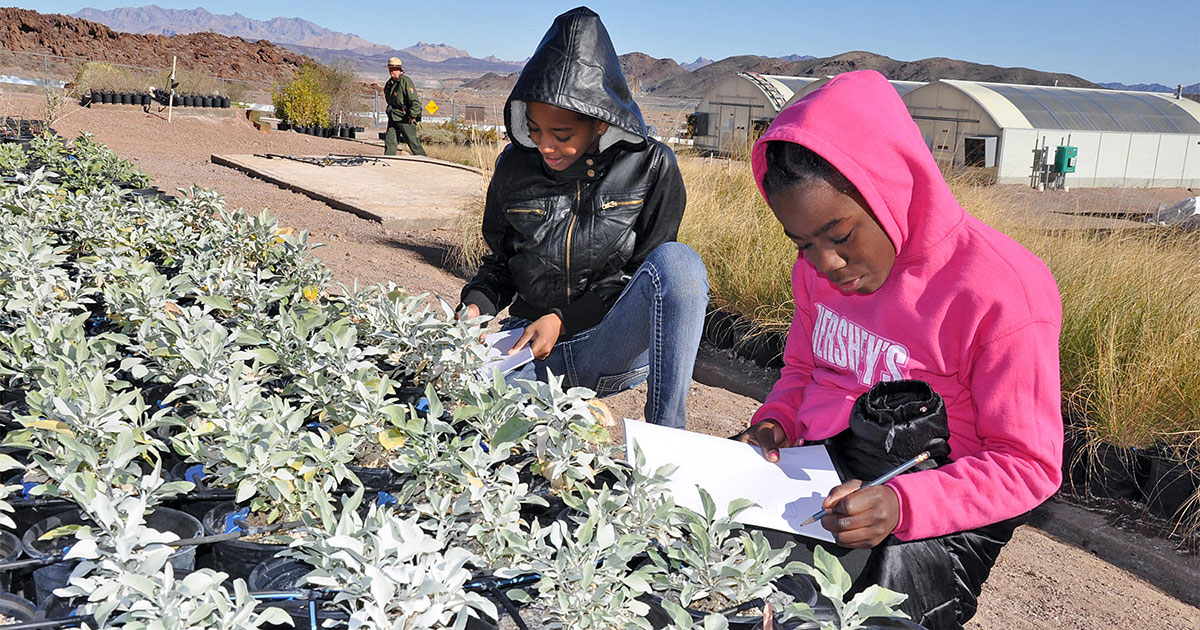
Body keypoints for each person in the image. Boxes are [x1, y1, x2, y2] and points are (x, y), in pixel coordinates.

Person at [733, 70, 1063, 630]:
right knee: (716, 574)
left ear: (894, 187)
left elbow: (1028, 465)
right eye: (803, 244)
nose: (826, 265)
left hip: (940, 501)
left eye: (839, 236)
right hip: (829, 473)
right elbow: (802, 367)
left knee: (814, 615)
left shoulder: (1001, 291)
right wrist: (778, 418)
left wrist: (904, 505)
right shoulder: (816, 270)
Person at [458, 7, 708, 429]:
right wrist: (474, 310)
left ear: (599, 123)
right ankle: (540, 401)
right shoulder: (514, 167)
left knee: (680, 262)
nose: (545, 147)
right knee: (460, 405)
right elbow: (499, 264)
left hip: (605, 348)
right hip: (528, 349)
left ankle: (669, 434)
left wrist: (562, 319)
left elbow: (643, 276)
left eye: (561, 135)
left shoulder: (651, 165)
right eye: (535, 130)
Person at [383, 56, 425, 157]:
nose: (390, 71)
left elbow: (415, 102)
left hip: (405, 117)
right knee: (390, 141)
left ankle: (425, 161)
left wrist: (412, 116)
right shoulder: (390, 83)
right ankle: (388, 161)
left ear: (398, 69)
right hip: (394, 115)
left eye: (392, 69)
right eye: (389, 69)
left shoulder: (405, 81)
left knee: (412, 142)